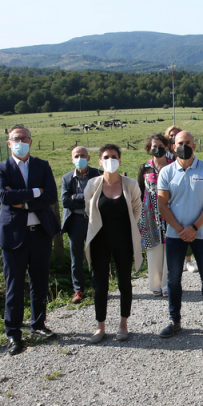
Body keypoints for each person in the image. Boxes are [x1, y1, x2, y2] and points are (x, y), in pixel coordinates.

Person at [0, 125, 60, 355]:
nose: (20, 141)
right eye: (16, 138)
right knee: (14, 285)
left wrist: (22, 200)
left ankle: (38, 324)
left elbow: (51, 195)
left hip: (40, 232)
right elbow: (3, 196)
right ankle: (13, 333)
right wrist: (35, 191)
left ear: (31, 142)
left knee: (40, 282)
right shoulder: (0, 168)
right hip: (13, 236)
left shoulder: (42, 165)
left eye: (24, 138)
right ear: (9, 143)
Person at [157, 131, 203, 337]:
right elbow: (162, 205)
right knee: (174, 279)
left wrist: (193, 228)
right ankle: (174, 320)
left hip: (201, 233)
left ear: (195, 146)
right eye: (180, 143)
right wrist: (180, 229)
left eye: (188, 143)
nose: (184, 146)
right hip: (176, 234)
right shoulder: (166, 172)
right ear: (173, 147)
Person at [84, 144, 143, 343]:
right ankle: (100, 327)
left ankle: (123, 324)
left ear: (119, 159)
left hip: (124, 240)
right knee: (99, 285)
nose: (110, 160)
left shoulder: (131, 184)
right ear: (100, 161)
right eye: (106, 157)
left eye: (114, 156)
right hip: (99, 241)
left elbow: (137, 209)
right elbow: (88, 210)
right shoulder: (93, 185)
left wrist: (128, 229)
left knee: (124, 283)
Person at [60, 146, 102, 304]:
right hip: (75, 221)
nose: (79, 158)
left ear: (89, 157)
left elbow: (100, 197)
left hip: (94, 220)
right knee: (76, 257)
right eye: (76, 156)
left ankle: (98, 286)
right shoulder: (66, 178)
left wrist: (76, 197)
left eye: (83, 155)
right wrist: (87, 195)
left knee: (96, 255)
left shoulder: (98, 175)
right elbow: (65, 202)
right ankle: (78, 289)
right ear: (72, 159)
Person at [138, 134, 172, 297]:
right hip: (150, 214)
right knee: (153, 249)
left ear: (166, 147)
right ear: (149, 148)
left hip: (171, 212)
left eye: (160, 145)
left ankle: (167, 284)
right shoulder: (144, 167)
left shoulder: (174, 166)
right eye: (154, 146)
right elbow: (139, 191)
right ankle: (155, 284)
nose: (157, 148)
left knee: (169, 249)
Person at [163, 125, 196, 272]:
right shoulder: (166, 161)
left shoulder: (201, 166)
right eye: (173, 136)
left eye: (186, 143)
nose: (183, 146)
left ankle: (188, 260)